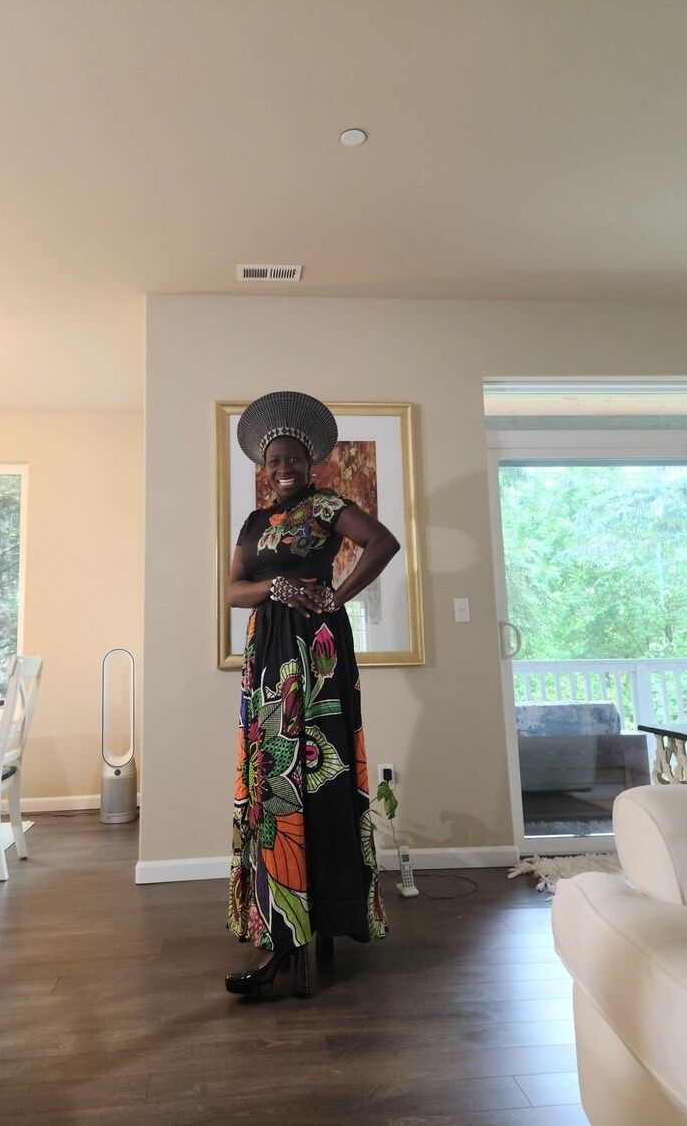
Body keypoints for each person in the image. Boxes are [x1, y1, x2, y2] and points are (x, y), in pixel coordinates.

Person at [225, 390, 400, 998]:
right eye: (275, 460)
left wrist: (337, 595)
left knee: (319, 772)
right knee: (273, 774)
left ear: (310, 464)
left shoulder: (329, 506)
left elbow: (383, 543)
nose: (284, 468)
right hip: (267, 652)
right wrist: (274, 587)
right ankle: (280, 928)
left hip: (316, 650)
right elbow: (232, 591)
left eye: (294, 459)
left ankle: (317, 922)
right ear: (263, 466)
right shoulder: (254, 524)